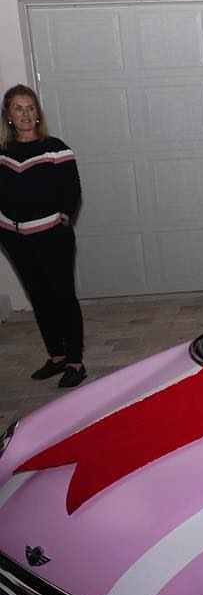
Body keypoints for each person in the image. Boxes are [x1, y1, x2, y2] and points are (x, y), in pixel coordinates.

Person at [0, 84, 85, 387]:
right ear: (8, 116)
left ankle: (75, 361)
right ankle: (56, 356)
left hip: (52, 237)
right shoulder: (3, 153)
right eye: (19, 108)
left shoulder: (56, 148)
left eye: (31, 108)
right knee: (39, 297)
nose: (26, 114)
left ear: (38, 113)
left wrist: (62, 216)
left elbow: (72, 189)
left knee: (63, 297)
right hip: (15, 239)